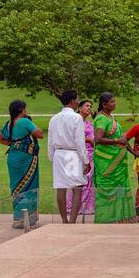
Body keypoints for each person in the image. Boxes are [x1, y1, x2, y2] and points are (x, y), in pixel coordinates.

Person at [0, 99, 43, 229]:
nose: (26, 111)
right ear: (21, 110)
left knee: (16, 187)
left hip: (13, 158)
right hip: (26, 158)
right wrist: (30, 122)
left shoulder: (9, 123)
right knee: (29, 186)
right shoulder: (24, 121)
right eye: (25, 109)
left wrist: (12, 144)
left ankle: (18, 219)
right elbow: (40, 134)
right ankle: (28, 220)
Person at [92, 92, 137, 224]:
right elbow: (98, 139)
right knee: (108, 189)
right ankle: (107, 219)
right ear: (104, 104)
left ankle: (120, 217)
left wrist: (133, 152)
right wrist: (116, 140)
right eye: (112, 102)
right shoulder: (101, 119)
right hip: (107, 162)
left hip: (118, 162)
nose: (114, 104)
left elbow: (122, 138)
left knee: (119, 188)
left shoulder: (110, 117)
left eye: (114, 101)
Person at [47, 90, 90, 223]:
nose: (78, 101)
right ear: (72, 101)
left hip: (59, 154)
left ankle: (64, 220)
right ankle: (72, 221)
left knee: (61, 187)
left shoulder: (54, 118)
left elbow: (50, 140)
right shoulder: (76, 118)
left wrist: (52, 157)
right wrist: (86, 161)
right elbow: (79, 142)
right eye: (77, 99)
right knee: (77, 188)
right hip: (72, 154)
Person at [78, 98, 96, 219]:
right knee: (80, 180)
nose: (89, 108)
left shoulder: (89, 123)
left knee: (90, 180)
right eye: (86, 106)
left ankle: (88, 207)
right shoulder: (76, 121)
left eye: (90, 106)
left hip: (91, 154)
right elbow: (72, 137)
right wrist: (88, 139)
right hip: (79, 154)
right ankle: (76, 206)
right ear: (79, 108)